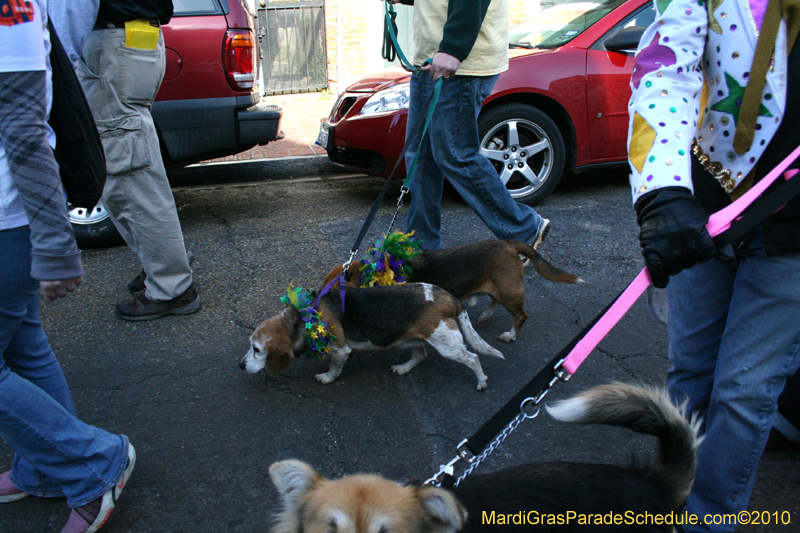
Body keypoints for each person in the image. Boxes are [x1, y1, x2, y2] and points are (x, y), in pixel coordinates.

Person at [626, 0, 800, 530]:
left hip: (792, 232)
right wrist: (662, 193)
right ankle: (668, 501)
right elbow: (664, 68)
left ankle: (707, 520)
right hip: (704, 210)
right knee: (690, 371)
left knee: (744, 391)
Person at [0, 3, 135, 532]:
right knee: (23, 346)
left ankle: (93, 463)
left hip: (9, 219)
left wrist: (56, 245)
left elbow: (24, 129)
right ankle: (45, 468)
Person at [54, 0, 200, 321]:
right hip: (134, 39)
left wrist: (59, 57)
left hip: (111, 45)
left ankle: (171, 285)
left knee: (130, 173)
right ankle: (162, 264)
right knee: (132, 167)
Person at [390, 0, 550, 251]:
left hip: (460, 63)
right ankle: (421, 246)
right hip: (429, 60)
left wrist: (454, 48)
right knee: (421, 157)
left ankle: (524, 229)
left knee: (455, 154)